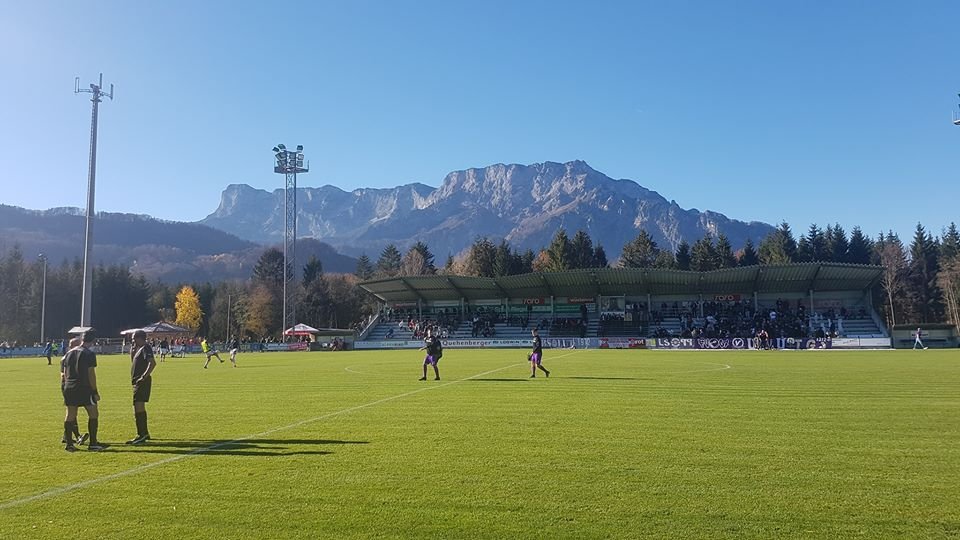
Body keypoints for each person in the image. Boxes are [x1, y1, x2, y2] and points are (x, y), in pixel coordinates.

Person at [60, 329, 107, 451]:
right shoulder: (89, 354)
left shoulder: (69, 353)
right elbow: (91, 374)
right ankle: (93, 443)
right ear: (93, 341)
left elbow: (65, 373)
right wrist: (95, 391)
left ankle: (69, 444)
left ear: (82, 339)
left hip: (69, 386)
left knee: (70, 414)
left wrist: (67, 385)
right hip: (84, 387)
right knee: (93, 413)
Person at [127, 329, 157, 445]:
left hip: (142, 382)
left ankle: (141, 434)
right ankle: (145, 433)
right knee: (139, 406)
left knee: (137, 406)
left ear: (140, 338)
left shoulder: (146, 348)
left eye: (134, 338)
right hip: (137, 381)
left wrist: (143, 377)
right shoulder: (138, 349)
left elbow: (152, 363)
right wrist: (133, 351)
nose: (133, 340)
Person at [59, 337, 86, 446]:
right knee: (71, 412)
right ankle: (76, 436)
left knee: (72, 412)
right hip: (69, 386)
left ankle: (67, 436)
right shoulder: (66, 358)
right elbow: (63, 375)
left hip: (72, 386)